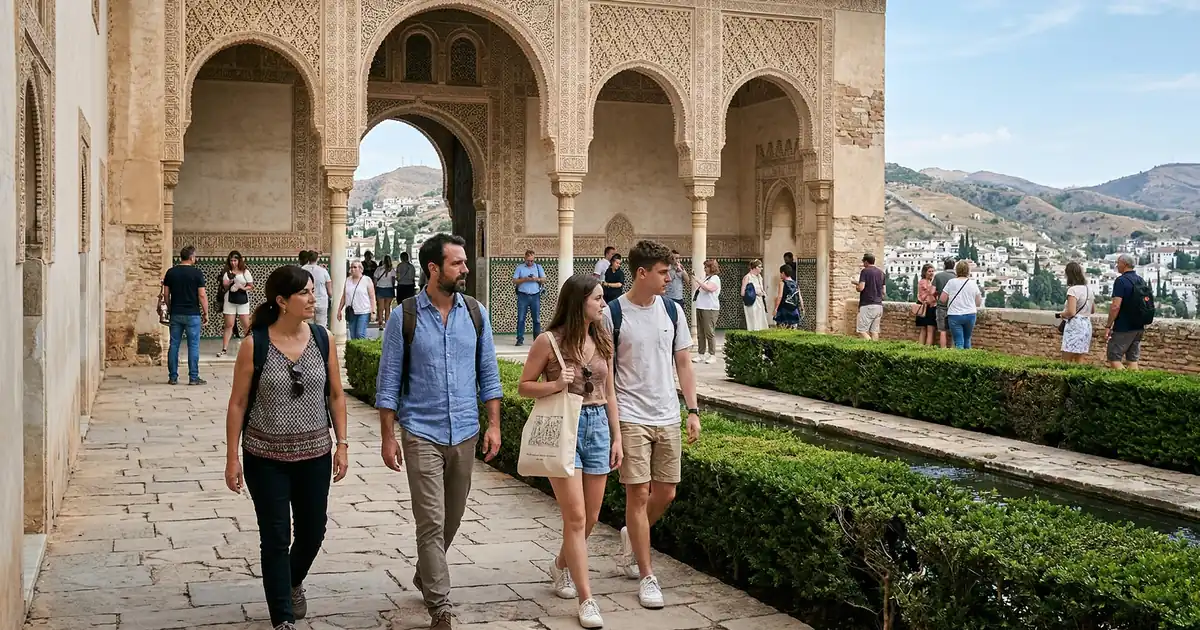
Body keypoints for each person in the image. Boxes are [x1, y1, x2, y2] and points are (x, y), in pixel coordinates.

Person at [374, 233, 502, 630]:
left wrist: (494, 424)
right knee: (430, 520)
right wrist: (387, 436)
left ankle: (426, 573)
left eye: (465, 263)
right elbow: (389, 378)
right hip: (420, 432)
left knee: (453, 517)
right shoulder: (405, 315)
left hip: (464, 430)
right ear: (434, 268)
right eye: (457, 263)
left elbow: (489, 374)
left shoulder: (476, 313)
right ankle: (440, 606)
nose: (465, 269)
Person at [223, 265, 349, 630]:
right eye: (305, 293)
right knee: (276, 536)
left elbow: (337, 395)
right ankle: (283, 618)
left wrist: (342, 445)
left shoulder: (323, 338)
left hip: (315, 455)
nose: (313, 298)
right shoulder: (255, 344)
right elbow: (237, 403)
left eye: (313, 291)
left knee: (313, 530)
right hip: (265, 458)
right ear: (281, 301)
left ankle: (291, 581)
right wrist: (233, 458)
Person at [517, 274, 622, 629]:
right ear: (579, 303)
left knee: (591, 517)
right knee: (575, 518)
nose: (603, 304)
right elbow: (523, 387)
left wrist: (617, 438)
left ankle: (561, 564)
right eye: (597, 299)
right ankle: (586, 597)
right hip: (565, 427)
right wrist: (553, 384)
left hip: (598, 428)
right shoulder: (549, 342)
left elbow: (610, 393)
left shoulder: (603, 338)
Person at [602, 239, 701, 610]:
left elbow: (684, 365)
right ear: (642, 273)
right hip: (630, 415)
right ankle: (646, 574)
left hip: (667, 415)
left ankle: (632, 535)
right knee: (638, 495)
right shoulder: (613, 313)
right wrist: (614, 427)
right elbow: (607, 374)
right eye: (663, 271)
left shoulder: (673, 311)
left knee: (667, 493)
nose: (670, 276)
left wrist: (692, 410)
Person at [161, 245, 209, 386]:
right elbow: (201, 295)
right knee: (193, 345)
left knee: (174, 344)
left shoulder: (171, 272)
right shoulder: (197, 273)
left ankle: (173, 377)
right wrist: (205, 312)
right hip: (193, 314)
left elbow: (165, 294)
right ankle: (193, 377)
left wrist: (170, 308)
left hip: (176, 313)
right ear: (192, 257)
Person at [1105, 253, 1151, 369]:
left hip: (1124, 327)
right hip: (1139, 326)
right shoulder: (1140, 280)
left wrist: (1108, 325)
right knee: (1132, 359)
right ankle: (1134, 385)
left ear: (1124, 264)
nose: (1117, 265)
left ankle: (1123, 385)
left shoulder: (1121, 281)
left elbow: (1115, 306)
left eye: (1118, 263)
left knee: (1113, 357)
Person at [938, 260, 983, 349]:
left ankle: (960, 360)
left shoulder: (951, 282)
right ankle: (967, 361)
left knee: (958, 341)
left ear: (957, 270)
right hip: (970, 314)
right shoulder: (973, 283)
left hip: (954, 315)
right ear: (968, 271)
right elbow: (978, 302)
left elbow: (942, 299)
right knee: (967, 339)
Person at [218, 250, 254, 357]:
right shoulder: (227, 272)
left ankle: (250, 348)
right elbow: (224, 286)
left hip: (242, 300)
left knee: (246, 325)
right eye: (231, 261)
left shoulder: (245, 272)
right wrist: (229, 282)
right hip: (230, 300)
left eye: (235, 260)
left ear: (239, 261)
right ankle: (224, 349)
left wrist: (241, 287)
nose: (233, 263)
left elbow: (251, 286)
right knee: (229, 324)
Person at [1059, 261, 1095, 363]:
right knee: (1080, 358)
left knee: (1066, 358)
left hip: (1075, 325)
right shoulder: (1089, 290)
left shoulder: (1073, 290)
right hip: (1086, 325)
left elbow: (1071, 312)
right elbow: (1092, 310)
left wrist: (1060, 314)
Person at [513, 249, 546, 347]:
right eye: (528, 261)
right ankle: (519, 339)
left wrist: (537, 279)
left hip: (535, 295)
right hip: (523, 295)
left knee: (536, 319)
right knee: (521, 318)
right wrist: (525, 279)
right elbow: (514, 280)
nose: (530, 263)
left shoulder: (538, 267)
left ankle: (536, 340)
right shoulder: (520, 268)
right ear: (525, 258)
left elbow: (544, 279)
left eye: (532, 261)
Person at [336, 261, 376, 340]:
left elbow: (372, 297)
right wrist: (339, 310)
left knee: (360, 334)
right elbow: (344, 296)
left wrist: (373, 311)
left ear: (361, 269)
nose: (352, 269)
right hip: (351, 312)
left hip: (364, 311)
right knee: (353, 335)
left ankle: (362, 352)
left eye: (355, 267)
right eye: (351, 267)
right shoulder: (348, 280)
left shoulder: (367, 280)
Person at [693, 259, 721, 363]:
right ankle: (701, 354)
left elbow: (709, 288)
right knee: (700, 332)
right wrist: (696, 280)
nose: (704, 269)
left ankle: (712, 354)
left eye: (706, 267)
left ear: (711, 268)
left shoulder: (715, 278)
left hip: (710, 308)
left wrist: (698, 280)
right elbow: (700, 289)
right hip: (701, 306)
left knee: (709, 332)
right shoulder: (706, 278)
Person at [853, 253, 885, 340]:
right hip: (879, 305)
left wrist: (856, 285)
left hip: (867, 305)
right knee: (874, 331)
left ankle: (870, 347)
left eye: (863, 262)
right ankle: (875, 350)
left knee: (862, 330)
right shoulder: (881, 273)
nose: (863, 264)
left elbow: (861, 288)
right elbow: (883, 292)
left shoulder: (865, 271)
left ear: (866, 262)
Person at [300, 251, 332, 329]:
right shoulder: (323, 271)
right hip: (321, 302)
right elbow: (329, 291)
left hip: (307, 301)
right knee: (321, 326)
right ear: (317, 258)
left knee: (309, 326)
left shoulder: (302, 270)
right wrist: (331, 298)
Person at [932, 257, 956, 348]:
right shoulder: (957, 277)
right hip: (954, 307)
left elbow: (932, 291)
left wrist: (936, 296)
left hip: (941, 306)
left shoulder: (938, 276)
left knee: (942, 331)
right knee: (955, 331)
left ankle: (943, 351)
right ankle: (954, 352)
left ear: (944, 265)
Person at [741, 260, 769, 332]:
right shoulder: (747, 277)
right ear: (754, 267)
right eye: (759, 267)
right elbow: (742, 292)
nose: (761, 269)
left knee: (761, 320)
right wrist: (753, 293)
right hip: (752, 301)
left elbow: (761, 289)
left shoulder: (759, 277)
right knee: (753, 321)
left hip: (760, 301)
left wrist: (763, 293)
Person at [773, 264, 803, 329]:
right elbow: (800, 297)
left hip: (784, 309)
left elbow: (780, 296)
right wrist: (802, 308)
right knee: (793, 330)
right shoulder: (796, 283)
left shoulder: (782, 283)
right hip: (794, 310)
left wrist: (775, 308)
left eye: (780, 273)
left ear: (783, 273)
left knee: (782, 330)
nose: (780, 275)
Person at [915, 264, 937, 345]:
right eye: (929, 271)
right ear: (925, 272)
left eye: (932, 271)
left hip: (925, 307)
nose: (931, 273)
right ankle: (927, 349)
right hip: (927, 307)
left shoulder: (925, 282)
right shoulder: (924, 282)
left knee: (924, 329)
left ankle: (921, 348)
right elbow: (930, 291)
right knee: (929, 330)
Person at [374, 255, 397, 327]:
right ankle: (387, 323)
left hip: (380, 288)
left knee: (380, 307)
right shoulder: (392, 270)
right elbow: (393, 281)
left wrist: (374, 288)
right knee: (387, 307)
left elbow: (375, 280)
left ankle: (380, 323)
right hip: (389, 289)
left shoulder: (378, 269)